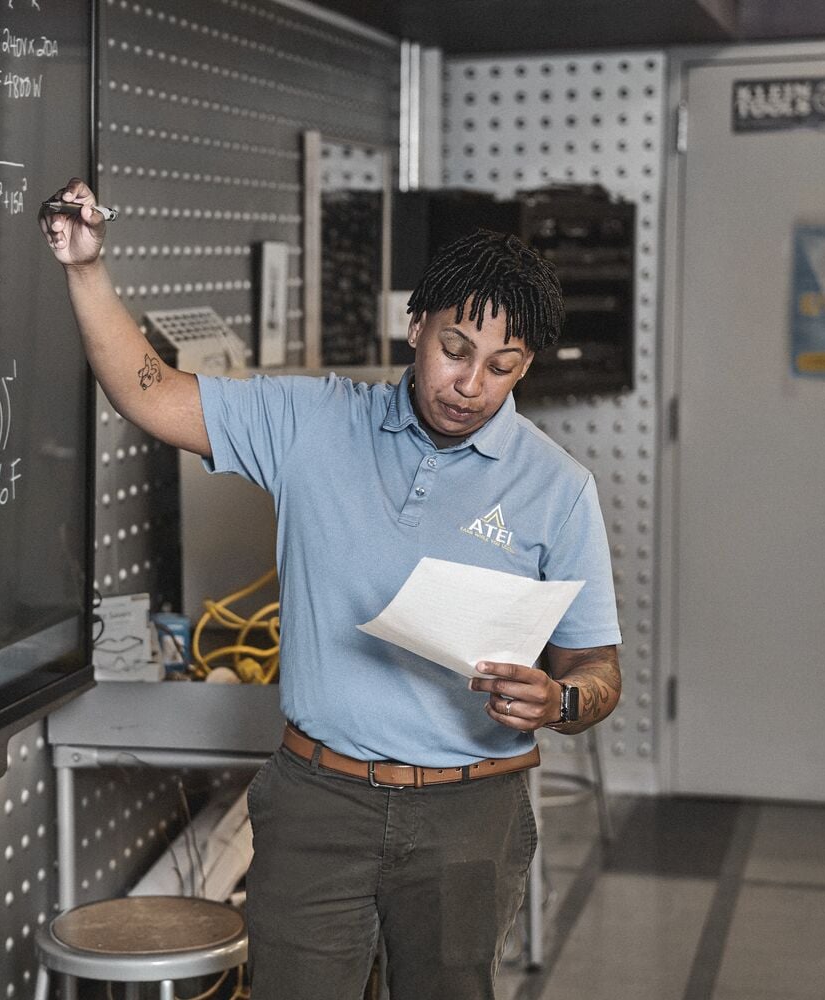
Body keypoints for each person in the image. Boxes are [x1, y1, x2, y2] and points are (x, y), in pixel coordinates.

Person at [40, 178, 622, 1000]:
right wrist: (86, 269)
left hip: (470, 814)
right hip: (318, 800)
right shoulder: (312, 422)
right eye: (455, 350)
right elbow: (152, 392)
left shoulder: (558, 489)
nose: (471, 385)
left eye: (503, 366)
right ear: (416, 326)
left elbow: (597, 667)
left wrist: (560, 700)